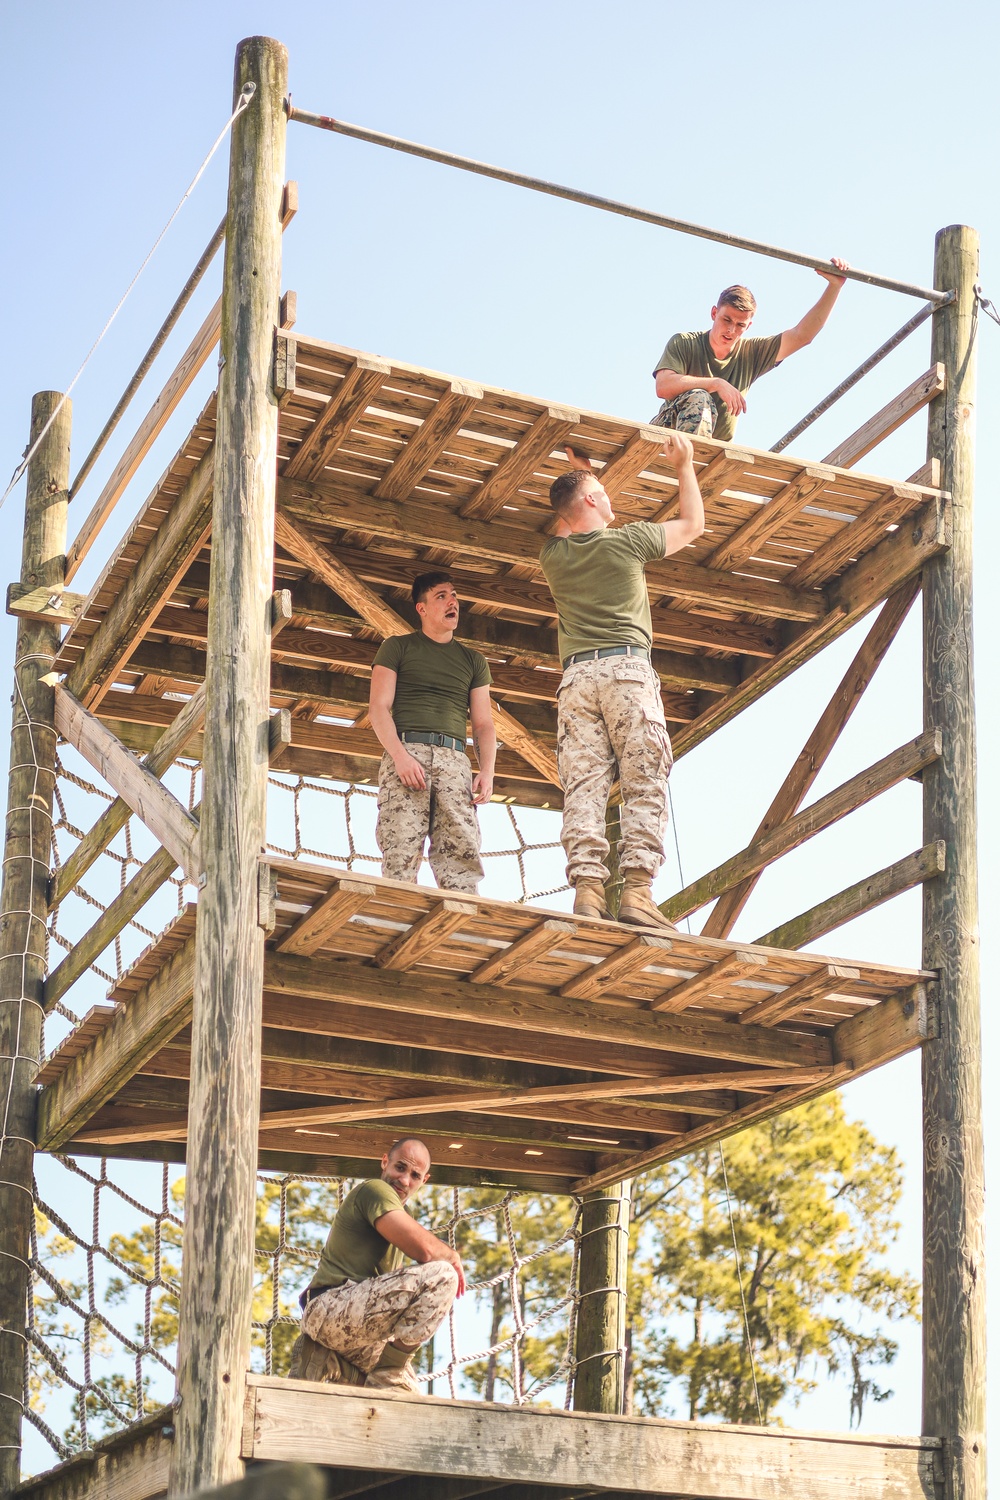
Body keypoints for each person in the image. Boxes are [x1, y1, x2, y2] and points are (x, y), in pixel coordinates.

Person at [540, 434, 704, 927]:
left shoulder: (554, 557)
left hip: (576, 680)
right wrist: (685, 466)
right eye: (602, 492)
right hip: (626, 673)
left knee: (584, 785)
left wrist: (582, 474)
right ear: (591, 499)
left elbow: (572, 521)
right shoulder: (629, 541)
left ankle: (588, 892)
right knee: (643, 779)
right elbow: (694, 524)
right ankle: (637, 892)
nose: (611, 500)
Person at [289, 1136, 464, 1392]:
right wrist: (452, 1256)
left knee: (408, 1401)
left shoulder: (405, 1213)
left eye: (415, 1175)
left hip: (359, 1328)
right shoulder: (374, 1190)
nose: (404, 1180)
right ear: (385, 1162)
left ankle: (331, 1360)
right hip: (331, 1307)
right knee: (443, 1275)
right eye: (400, 1167)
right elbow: (425, 1251)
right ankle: (386, 1375)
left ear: (424, 1181)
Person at [369, 571, 497, 892]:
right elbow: (378, 709)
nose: (452, 602)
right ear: (422, 608)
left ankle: (462, 929)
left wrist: (488, 772)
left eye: (454, 595)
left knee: (462, 859)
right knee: (399, 853)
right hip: (407, 755)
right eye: (441, 596)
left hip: (455, 762)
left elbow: (483, 724)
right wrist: (400, 758)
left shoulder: (473, 660)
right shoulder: (396, 648)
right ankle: (396, 922)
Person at [650, 260, 850, 442]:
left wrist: (835, 287)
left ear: (749, 326)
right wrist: (716, 384)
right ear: (714, 313)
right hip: (667, 438)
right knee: (700, 397)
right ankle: (689, 462)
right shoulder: (685, 343)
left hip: (713, 451)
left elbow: (801, 336)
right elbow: (663, 386)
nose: (731, 330)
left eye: (740, 325)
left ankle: (699, 463)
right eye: (726, 320)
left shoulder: (750, 353)